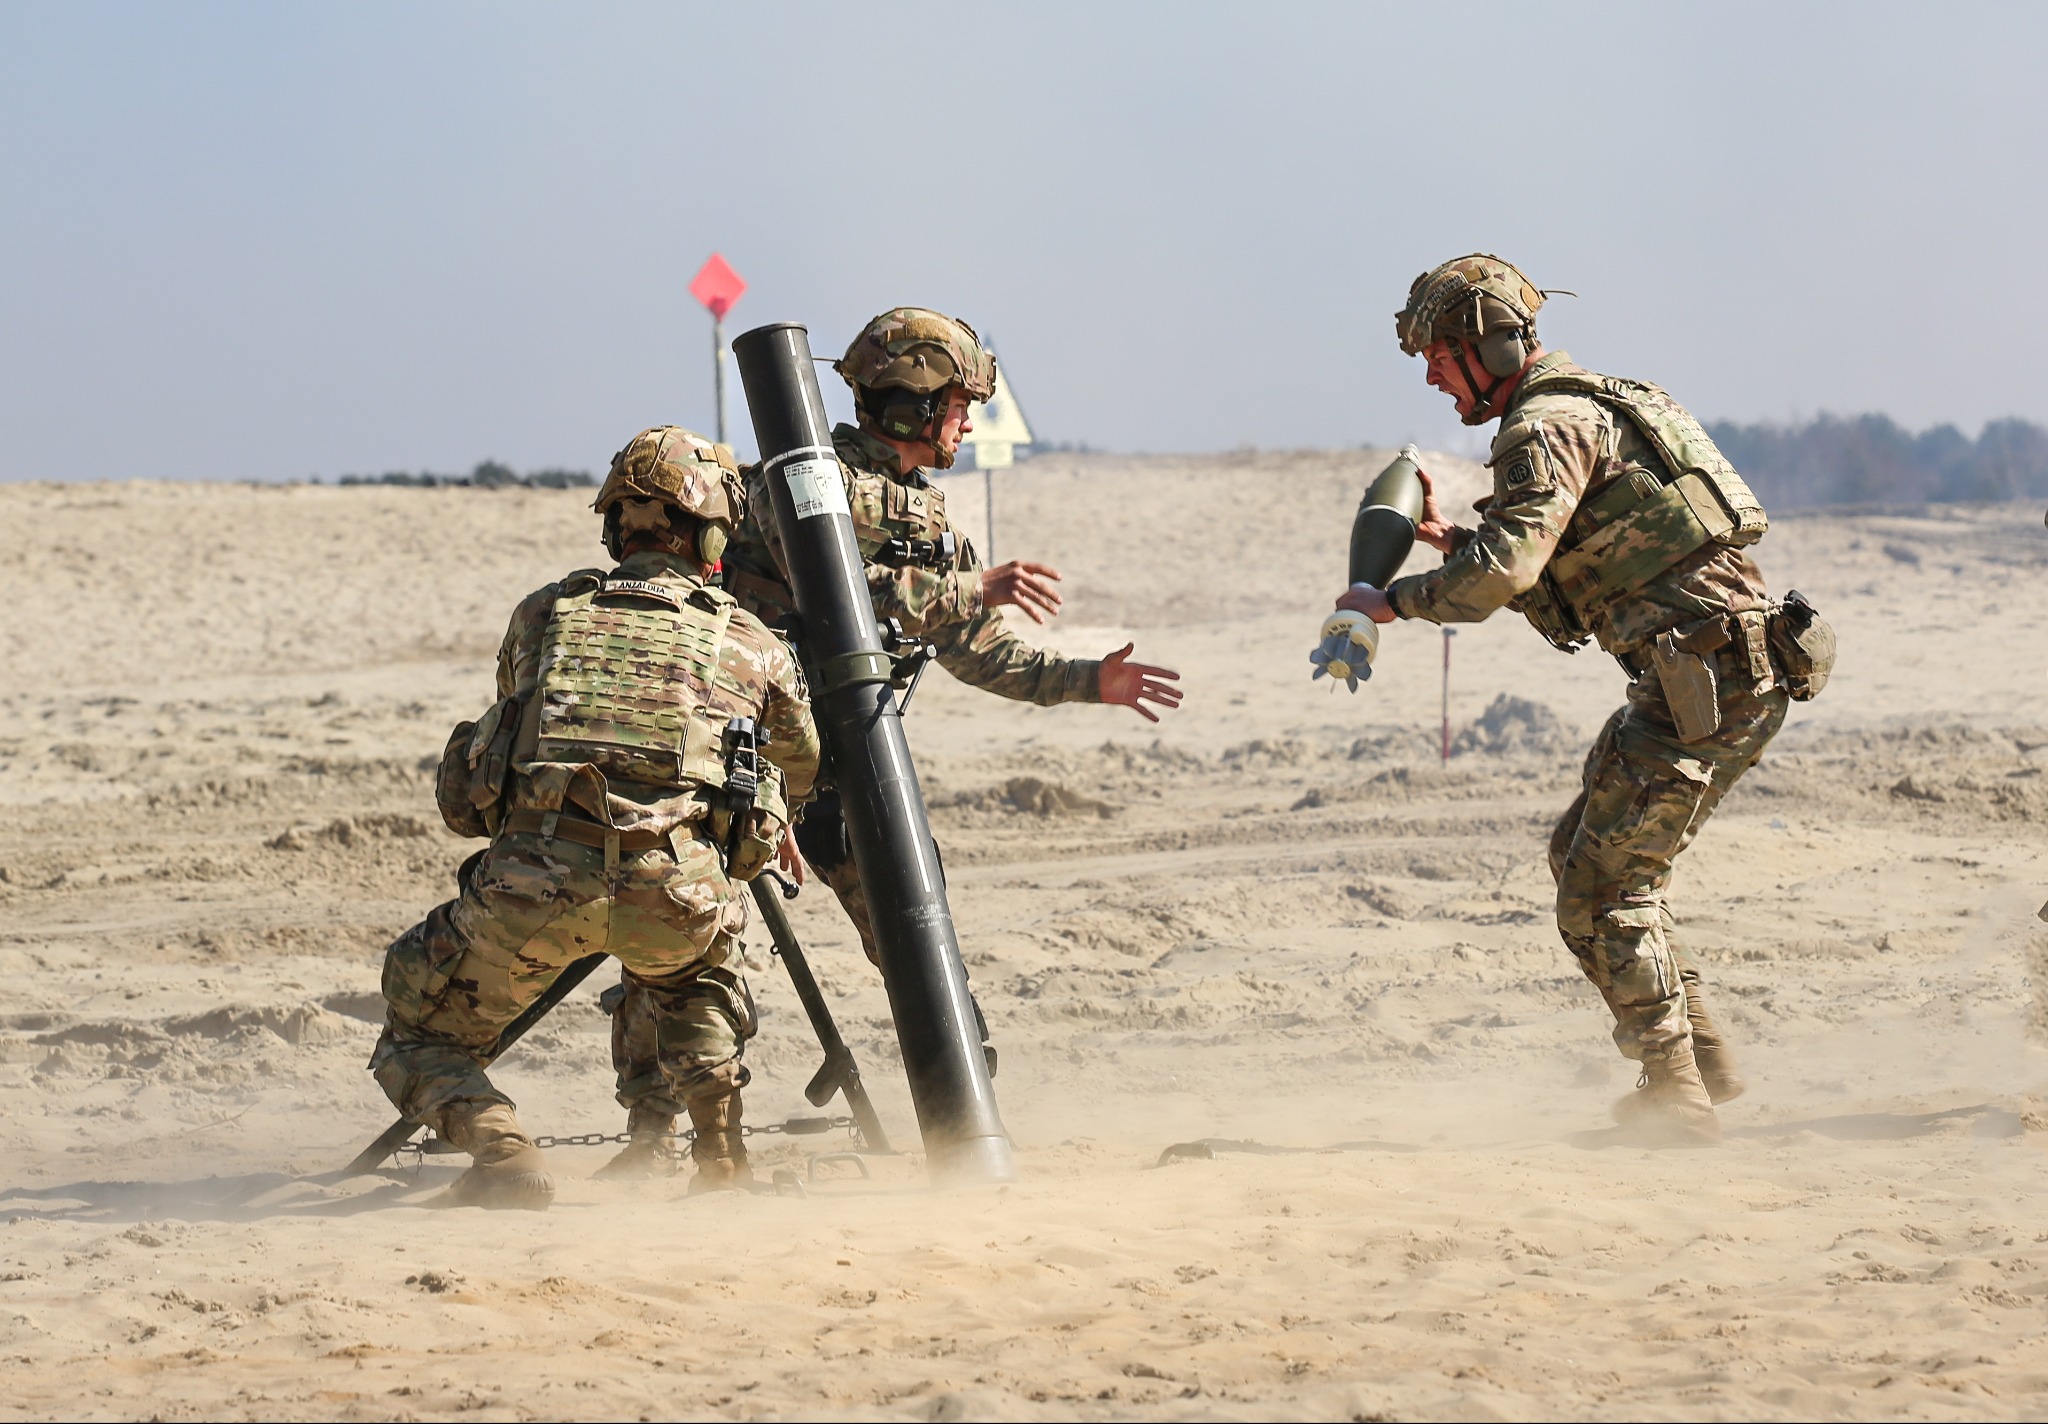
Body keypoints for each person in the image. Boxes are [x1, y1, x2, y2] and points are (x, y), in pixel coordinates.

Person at [1340, 255, 1829, 1143]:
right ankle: (1703, 1064)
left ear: (1485, 343)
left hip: (1709, 676)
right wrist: (1461, 541)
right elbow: (1594, 552)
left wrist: (1389, 601)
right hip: (1712, 671)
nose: (1430, 376)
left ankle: (1677, 1101)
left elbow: (1506, 574)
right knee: (1588, 856)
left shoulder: (1543, 427)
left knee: (1603, 892)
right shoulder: (1598, 401)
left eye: (1438, 355)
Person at [369, 426, 819, 1206]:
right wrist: (772, 815)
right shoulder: (751, 642)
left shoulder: (545, 614)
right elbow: (802, 759)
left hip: (529, 893)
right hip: (674, 900)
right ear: (714, 532)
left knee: (413, 1028)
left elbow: (485, 773)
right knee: (699, 980)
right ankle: (720, 1161)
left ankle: (500, 1146)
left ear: (616, 526)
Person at [715, 306, 1183, 963]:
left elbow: (982, 651)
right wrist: (973, 589)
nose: (967, 422)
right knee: (682, 932)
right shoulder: (802, 484)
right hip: (738, 745)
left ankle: (957, 1063)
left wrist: (1090, 680)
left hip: (832, 760)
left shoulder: (930, 529)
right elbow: (831, 591)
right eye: (959, 405)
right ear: (913, 402)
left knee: (915, 926)